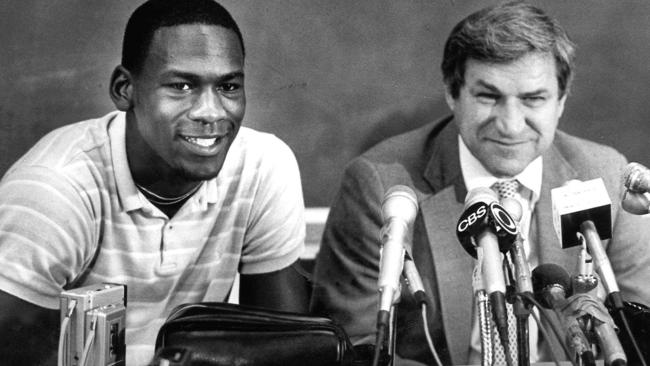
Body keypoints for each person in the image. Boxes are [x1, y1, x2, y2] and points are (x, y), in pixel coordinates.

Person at [310, 1, 650, 365]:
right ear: (452, 94)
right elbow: (355, 346)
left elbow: (638, 333)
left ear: (561, 101)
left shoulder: (605, 174)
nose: (510, 125)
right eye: (488, 97)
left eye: (533, 99)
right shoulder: (377, 184)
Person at [0, 0, 309, 364]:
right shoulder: (55, 191)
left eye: (228, 86)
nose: (211, 111)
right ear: (124, 89)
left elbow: (283, 346)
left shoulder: (262, 167)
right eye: (181, 86)